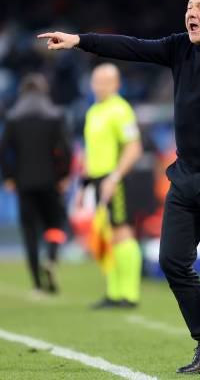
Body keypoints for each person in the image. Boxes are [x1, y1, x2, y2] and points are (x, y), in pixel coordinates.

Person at [39, 0, 200, 376]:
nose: (191, 12)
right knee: (172, 261)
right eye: (189, 6)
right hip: (186, 174)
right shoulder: (180, 47)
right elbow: (132, 46)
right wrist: (78, 40)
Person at [0, 74, 71, 294]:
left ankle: (37, 283)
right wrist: (63, 176)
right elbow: (66, 150)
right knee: (55, 224)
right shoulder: (55, 116)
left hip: (24, 183)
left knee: (30, 231)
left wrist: (9, 177)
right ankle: (51, 257)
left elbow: (1, 150)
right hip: (50, 182)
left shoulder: (13, 117)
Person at [78, 63, 143, 309]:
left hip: (115, 179)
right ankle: (114, 293)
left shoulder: (120, 110)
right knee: (107, 235)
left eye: (106, 81)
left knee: (122, 232)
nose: (100, 86)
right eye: (96, 81)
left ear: (117, 84)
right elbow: (91, 152)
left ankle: (129, 294)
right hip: (97, 179)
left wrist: (114, 177)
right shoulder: (94, 111)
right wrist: (83, 186)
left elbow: (133, 147)